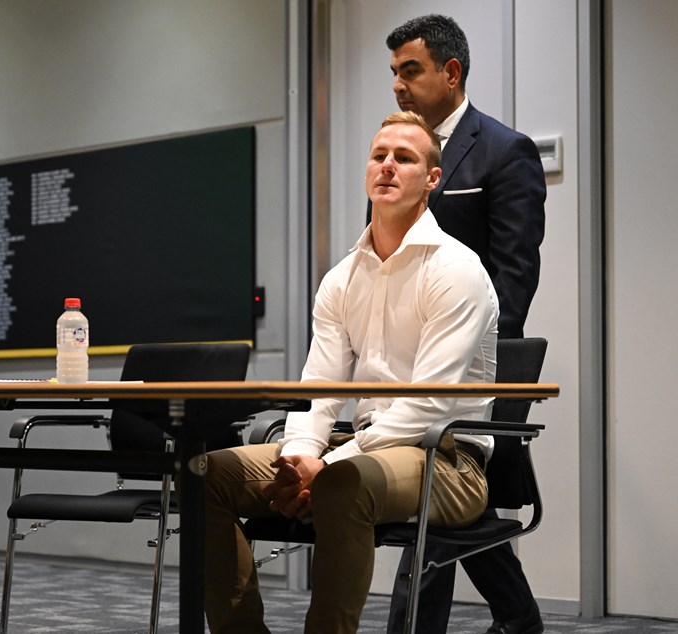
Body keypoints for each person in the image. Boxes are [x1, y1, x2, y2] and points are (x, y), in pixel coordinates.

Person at [203, 111, 499, 634]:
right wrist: (298, 461)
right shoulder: (342, 278)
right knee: (208, 472)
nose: (387, 166)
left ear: (432, 179)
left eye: (404, 158)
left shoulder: (456, 270)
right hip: (360, 448)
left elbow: (427, 405)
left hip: (450, 461)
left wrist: (331, 463)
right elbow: (319, 390)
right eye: (379, 155)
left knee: (343, 481)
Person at [380, 14, 547, 634]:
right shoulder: (401, 152)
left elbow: (514, 275)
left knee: (433, 497)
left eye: (410, 70)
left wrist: (467, 365)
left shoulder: (506, 151)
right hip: (402, 361)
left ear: (451, 72)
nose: (398, 84)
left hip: (477, 363)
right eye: (394, 72)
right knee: (454, 508)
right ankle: (521, 620)